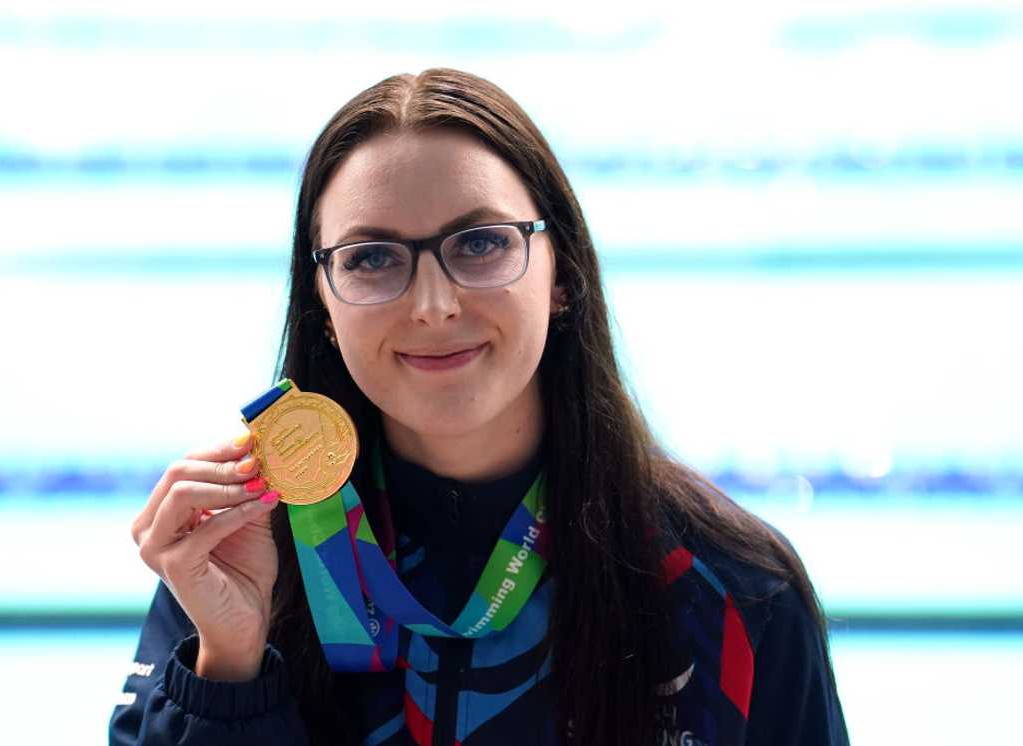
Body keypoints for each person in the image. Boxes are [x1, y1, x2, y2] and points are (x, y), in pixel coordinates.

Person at [110, 67, 849, 746]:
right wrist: (231, 664)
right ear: (323, 308)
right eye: (371, 258)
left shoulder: (733, 589)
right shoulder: (241, 557)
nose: (433, 305)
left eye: (481, 244)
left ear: (560, 275)